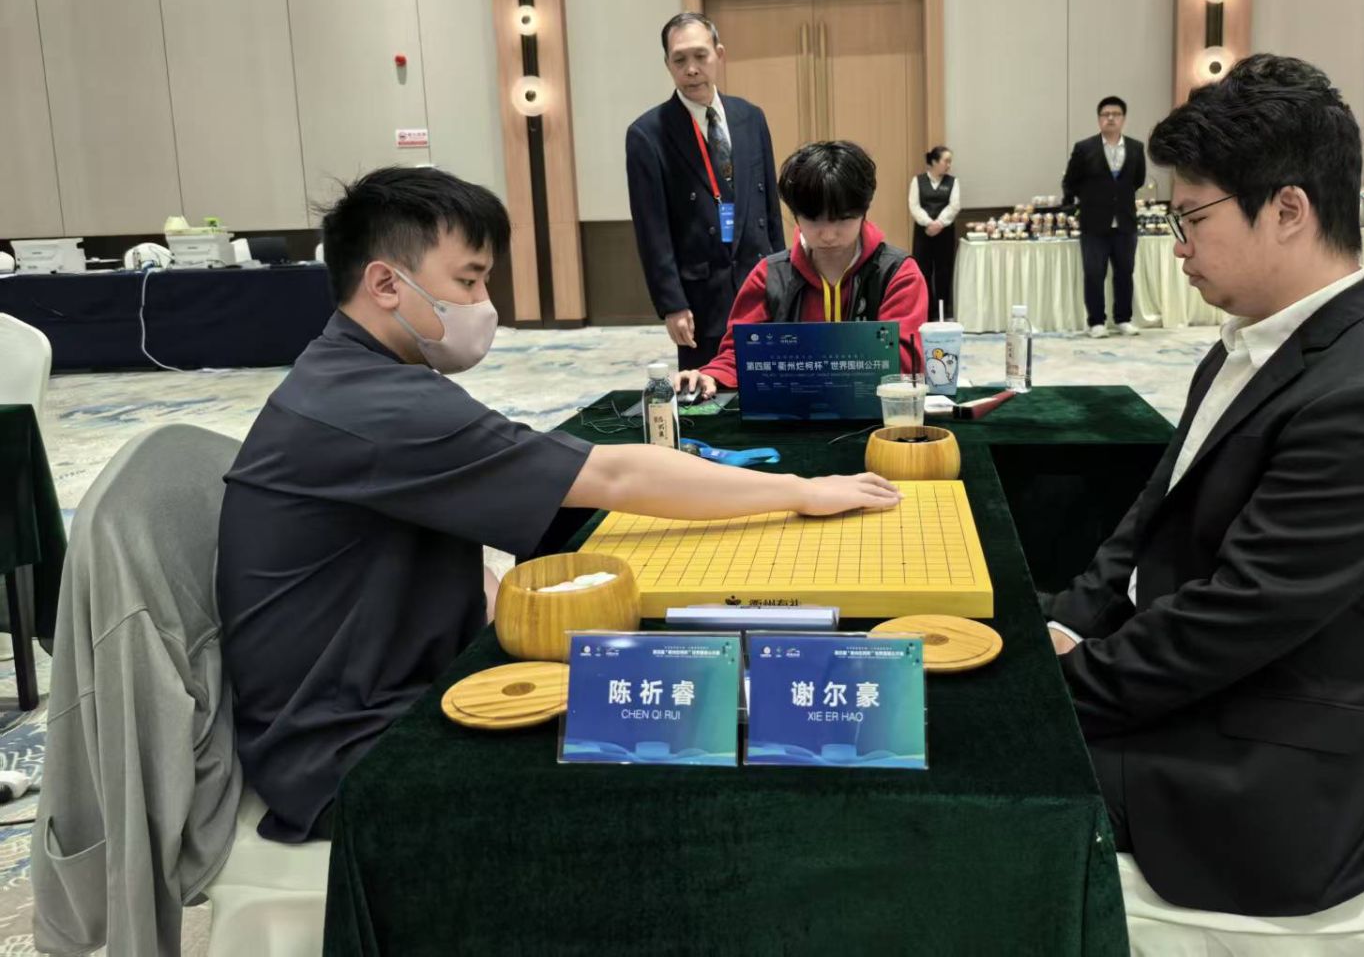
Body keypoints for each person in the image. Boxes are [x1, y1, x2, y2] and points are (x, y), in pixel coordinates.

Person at [217, 166, 898, 842]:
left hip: (372, 694)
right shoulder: (378, 407)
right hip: (356, 751)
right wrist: (803, 491)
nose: (485, 304)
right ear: (386, 284)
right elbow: (615, 476)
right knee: (713, 723)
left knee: (694, 683)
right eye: (468, 281)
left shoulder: (350, 377)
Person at [1040, 55, 1364, 917]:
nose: (1178, 245)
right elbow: (1146, 523)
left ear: (1288, 210)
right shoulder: (1253, 342)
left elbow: (1230, 622)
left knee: (975, 772)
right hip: (1210, 688)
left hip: (1269, 775)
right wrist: (1065, 622)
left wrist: (1053, 693)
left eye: (1191, 217)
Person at [677, 140, 928, 395]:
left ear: (865, 210)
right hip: (788, 412)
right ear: (795, 214)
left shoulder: (898, 274)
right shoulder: (769, 276)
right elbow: (738, 352)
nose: (828, 235)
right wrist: (711, 375)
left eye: (843, 219)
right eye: (813, 219)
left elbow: (905, 364)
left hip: (875, 413)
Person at [625, 12, 786, 368]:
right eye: (679, 60)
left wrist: (784, 279)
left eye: (700, 56)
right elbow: (653, 231)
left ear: (719, 54)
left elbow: (770, 209)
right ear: (667, 65)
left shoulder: (751, 117)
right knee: (706, 391)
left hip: (759, 285)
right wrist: (672, 304)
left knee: (770, 385)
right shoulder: (648, 134)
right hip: (701, 298)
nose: (692, 69)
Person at [1063, 95, 1145, 338]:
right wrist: (1092, 199)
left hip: (1125, 222)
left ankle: (1123, 319)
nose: (1110, 118)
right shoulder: (1084, 148)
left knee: (1125, 273)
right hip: (1094, 222)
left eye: (1116, 114)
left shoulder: (1136, 148)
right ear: (1099, 119)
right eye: (1105, 114)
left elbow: (1138, 180)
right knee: (1094, 274)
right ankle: (1096, 322)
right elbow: (1071, 181)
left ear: (1123, 119)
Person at [910, 145, 961, 317]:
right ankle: (925, 311)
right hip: (923, 233)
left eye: (950, 161)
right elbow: (914, 206)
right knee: (923, 271)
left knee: (943, 272)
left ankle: (942, 312)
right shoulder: (917, 181)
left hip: (945, 233)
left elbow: (954, 206)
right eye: (946, 161)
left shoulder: (953, 182)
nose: (949, 165)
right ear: (934, 161)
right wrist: (928, 223)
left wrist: (939, 223)